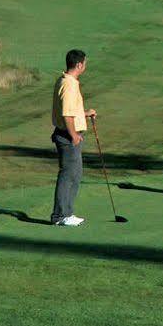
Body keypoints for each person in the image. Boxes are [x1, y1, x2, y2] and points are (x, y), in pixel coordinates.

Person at [50, 48, 96, 226]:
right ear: (79, 64)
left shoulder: (66, 80)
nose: (85, 66)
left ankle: (66, 213)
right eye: (84, 63)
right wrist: (74, 135)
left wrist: (85, 113)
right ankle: (60, 215)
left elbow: (71, 111)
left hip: (67, 134)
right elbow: (67, 115)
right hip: (67, 136)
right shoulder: (69, 84)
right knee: (68, 175)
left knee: (74, 174)